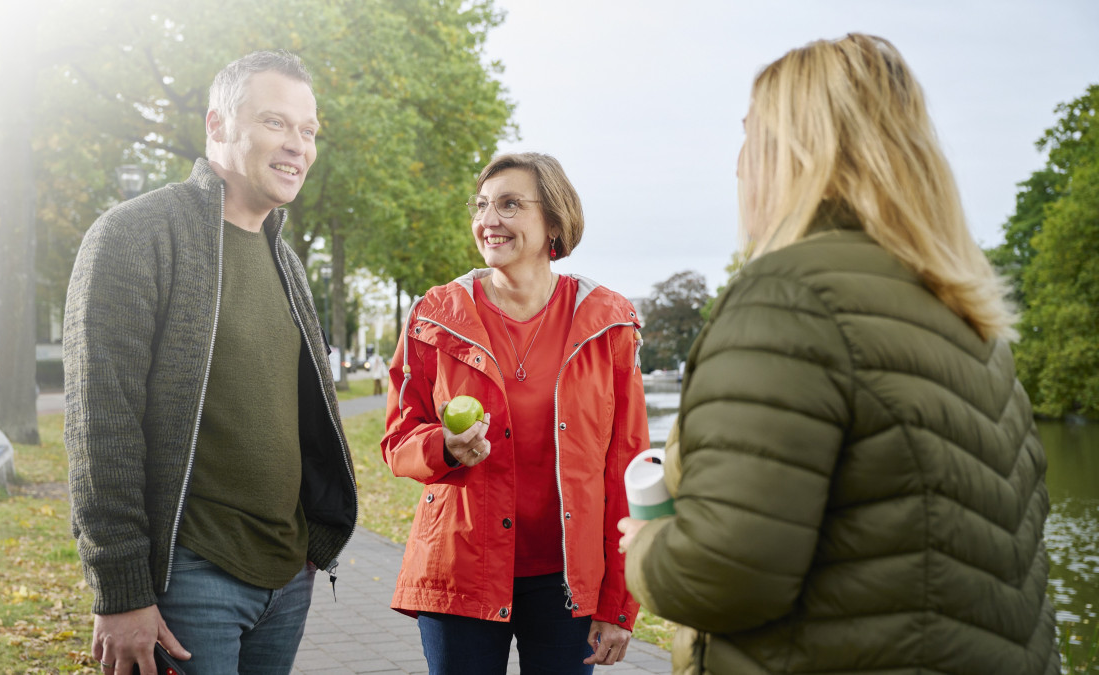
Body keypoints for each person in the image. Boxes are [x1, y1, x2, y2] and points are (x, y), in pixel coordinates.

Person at [618, 33, 1058, 675]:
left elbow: (723, 575)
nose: (737, 164)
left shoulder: (789, 298)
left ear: (794, 150)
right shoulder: (964, 314)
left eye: (750, 135)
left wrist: (649, 547)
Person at [64, 50, 358, 675]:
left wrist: (313, 538)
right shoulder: (135, 237)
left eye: (308, 131)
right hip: (189, 576)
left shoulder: (288, 261)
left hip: (287, 575)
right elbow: (101, 430)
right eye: (276, 123)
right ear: (218, 124)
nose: (298, 147)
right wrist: (121, 594)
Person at [381, 152, 649, 674]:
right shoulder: (434, 316)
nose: (488, 220)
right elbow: (398, 441)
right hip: (462, 571)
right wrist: (444, 448)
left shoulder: (608, 322)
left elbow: (627, 467)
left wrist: (621, 602)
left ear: (553, 220)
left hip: (568, 582)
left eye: (509, 205)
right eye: (481, 205)